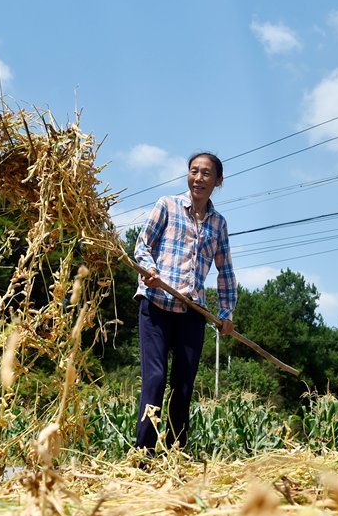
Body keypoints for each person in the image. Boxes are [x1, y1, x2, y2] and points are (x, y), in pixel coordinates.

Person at [133, 152, 236, 452]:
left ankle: (176, 454)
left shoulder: (218, 224)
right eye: (194, 171)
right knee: (155, 378)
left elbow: (225, 271)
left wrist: (225, 312)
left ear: (218, 181)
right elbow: (142, 246)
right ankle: (143, 455)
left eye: (206, 174)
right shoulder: (167, 205)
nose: (198, 178)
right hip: (156, 304)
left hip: (192, 311)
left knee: (183, 385)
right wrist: (149, 270)